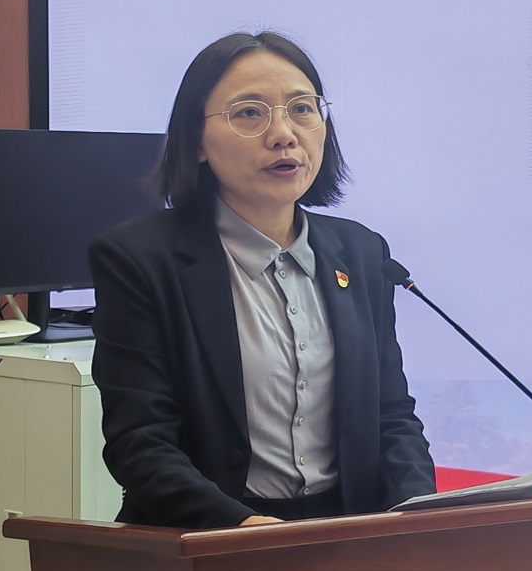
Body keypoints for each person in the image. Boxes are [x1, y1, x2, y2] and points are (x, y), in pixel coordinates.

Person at [88, 31, 436, 529]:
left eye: (302, 109)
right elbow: (139, 442)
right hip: (208, 537)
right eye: (249, 113)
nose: (283, 134)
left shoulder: (361, 253)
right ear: (196, 141)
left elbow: (391, 416)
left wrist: (416, 517)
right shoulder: (140, 259)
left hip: (348, 536)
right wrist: (244, 530)